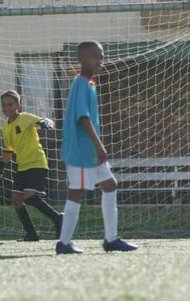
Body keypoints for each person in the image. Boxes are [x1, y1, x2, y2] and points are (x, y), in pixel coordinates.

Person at [56, 41, 138, 254]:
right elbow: (83, 118)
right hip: (82, 151)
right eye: (95, 57)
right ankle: (63, 243)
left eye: (101, 57)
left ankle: (111, 239)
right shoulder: (81, 83)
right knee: (76, 192)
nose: (100, 61)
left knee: (110, 184)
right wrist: (99, 145)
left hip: (90, 152)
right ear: (82, 59)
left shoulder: (89, 84)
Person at [0, 90, 62, 241]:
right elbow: (9, 149)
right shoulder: (6, 127)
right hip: (22, 166)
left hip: (36, 163)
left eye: (10, 105)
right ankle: (31, 233)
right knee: (16, 199)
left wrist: (46, 122)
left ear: (18, 105)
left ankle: (58, 219)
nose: (7, 108)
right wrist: (1, 166)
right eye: (4, 105)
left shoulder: (25, 118)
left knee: (29, 196)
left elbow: (40, 121)